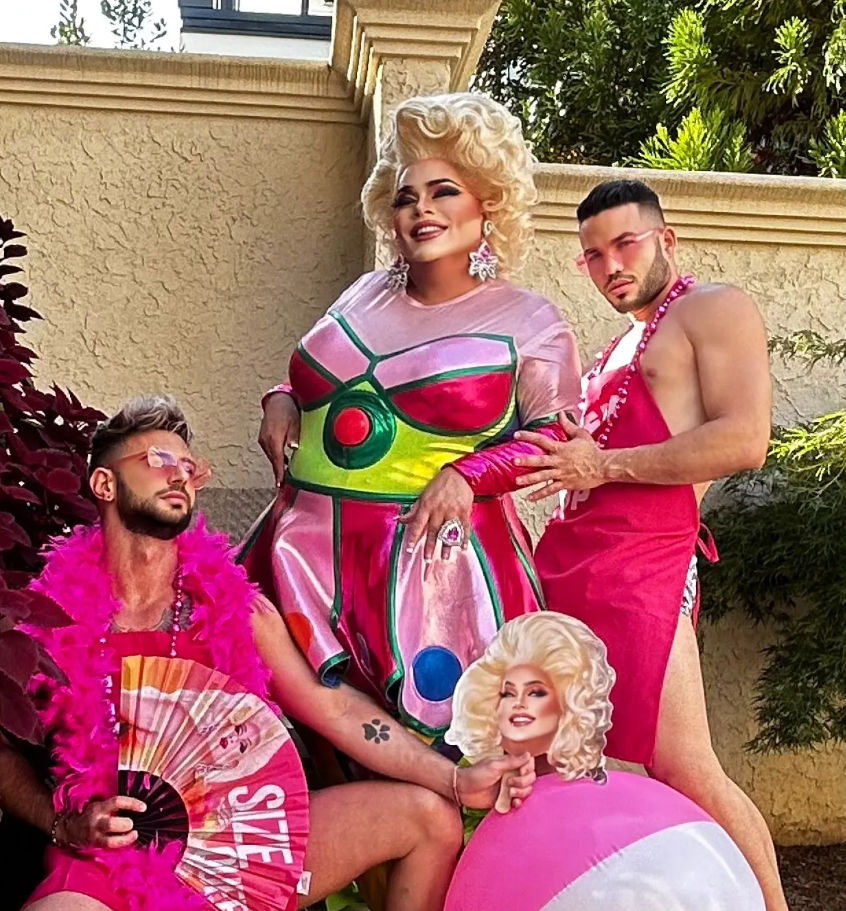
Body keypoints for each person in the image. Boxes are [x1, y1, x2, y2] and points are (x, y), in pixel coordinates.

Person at [2, 395, 535, 911]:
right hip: (106, 863)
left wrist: (454, 780)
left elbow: (336, 709)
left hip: (240, 847)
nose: (179, 474)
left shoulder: (239, 612)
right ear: (104, 483)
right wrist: (60, 821)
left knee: (429, 817)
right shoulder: (47, 618)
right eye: (159, 460)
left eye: (189, 466)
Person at [247, 92, 581, 740]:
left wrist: (470, 474)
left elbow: (556, 439)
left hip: (433, 575)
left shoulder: (530, 320)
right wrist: (281, 399)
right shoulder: (363, 290)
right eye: (406, 196)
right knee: (289, 744)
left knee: (446, 758)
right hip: (302, 553)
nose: (421, 207)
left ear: (488, 204)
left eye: (444, 190)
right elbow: (325, 383)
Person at [512, 179, 787, 910]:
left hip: (648, 561)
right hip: (575, 565)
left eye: (624, 243)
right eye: (593, 256)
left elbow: (744, 438)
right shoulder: (618, 345)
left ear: (666, 239)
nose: (610, 265)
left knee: (684, 766)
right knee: (559, 761)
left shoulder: (712, 307)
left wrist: (601, 464)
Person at [443, 613, 766, 911]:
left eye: (536, 693)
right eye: (506, 693)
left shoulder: (587, 790)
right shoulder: (481, 768)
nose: (519, 706)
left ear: (571, 704)